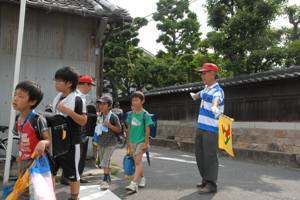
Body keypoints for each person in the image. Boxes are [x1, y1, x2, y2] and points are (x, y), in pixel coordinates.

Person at [52, 66, 87, 200]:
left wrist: (69, 112)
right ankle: (49, 196)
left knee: (73, 174)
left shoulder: (78, 99)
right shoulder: (58, 97)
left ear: (69, 83)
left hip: (72, 143)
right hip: (56, 142)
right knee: (50, 171)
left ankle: (74, 198)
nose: (56, 83)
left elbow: (83, 121)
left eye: (59, 81)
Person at [12, 81, 51, 199]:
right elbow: (22, 139)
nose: (15, 98)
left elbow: (48, 141)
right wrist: (20, 155)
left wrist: (42, 142)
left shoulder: (37, 119)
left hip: (36, 163)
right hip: (23, 162)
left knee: (36, 193)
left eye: (20, 96)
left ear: (32, 101)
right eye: (15, 94)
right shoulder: (18, 118)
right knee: (23, 191)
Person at [190, 63, 224, 194]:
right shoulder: (206, 89)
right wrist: (195, 96)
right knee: (200, 155)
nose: (202, 75)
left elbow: (216, 99)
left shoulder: (217, 90)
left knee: (210, 156)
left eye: (204, 73)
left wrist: (215, 106)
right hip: (201, 126)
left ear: (212, 74)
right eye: (202, 73)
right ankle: (205, 179)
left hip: (211, 129)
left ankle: (211, 184)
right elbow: (200, 94)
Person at [125, 91, 153, 194]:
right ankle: (142, 178)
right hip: (132, 141)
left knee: (137, 161)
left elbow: (147, 130)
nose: (134, 102)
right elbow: (128, 129)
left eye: (136, 100)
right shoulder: (130, 114)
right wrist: (128, 142)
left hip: (141, 141)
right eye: (133, 100)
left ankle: (134, 183)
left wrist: (146, 143)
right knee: (138, 162)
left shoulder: (145, 115)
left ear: (142, 101)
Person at [95, 94, 121, 190]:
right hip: (101, 142)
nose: (100, 106)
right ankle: (108, 175)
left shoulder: (113, 117)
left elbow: (119, 129)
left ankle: (105, 180)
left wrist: (109, 125)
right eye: (99, 104)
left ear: (109, 106)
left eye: (103, 104)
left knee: (105, 161)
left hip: (111, 142)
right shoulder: (100, 116)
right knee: (104, 161)